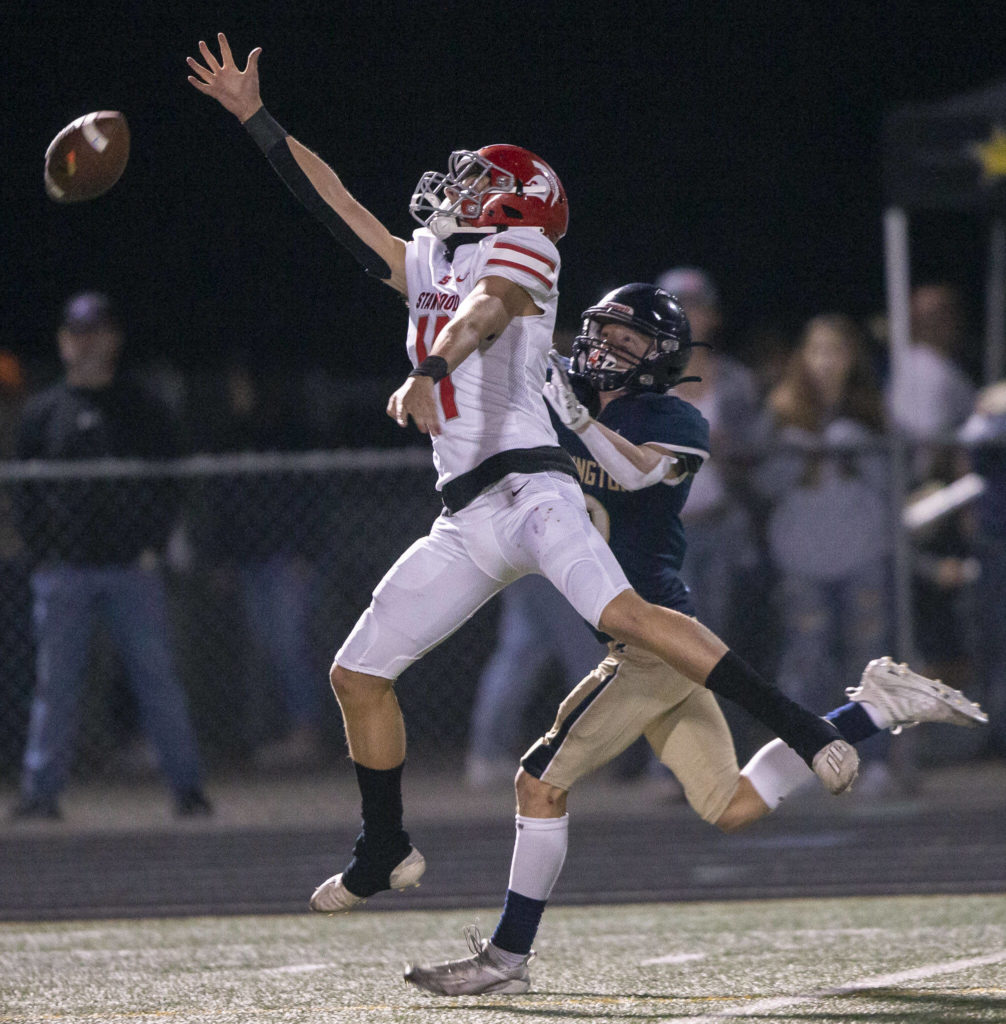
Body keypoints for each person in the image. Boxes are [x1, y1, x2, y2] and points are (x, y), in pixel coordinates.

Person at [190, 35, 860, 915]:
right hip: (465, 517)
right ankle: (384, 845)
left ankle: (807, 731)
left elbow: (481, 312)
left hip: (531, 485)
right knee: (356, 675)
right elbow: (339, 205)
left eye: (477, 182)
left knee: (629, 618)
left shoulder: (528, 257)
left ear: (512, 206)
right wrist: (257, 122)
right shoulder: (427, 258)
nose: (456, 187)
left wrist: (430, 370)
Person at [402, 285, 989, 996]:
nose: (607, 349)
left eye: (629, 342)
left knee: (538, 782)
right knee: (730, 804)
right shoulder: (554, 406)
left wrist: (577, 416)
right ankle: (875, 709)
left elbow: (633, 469)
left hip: (652, 640)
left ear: (662, 360)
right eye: (604, 332)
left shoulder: (674, 418)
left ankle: (506, 960)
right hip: (652, 644)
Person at [9, 292, 211, 820]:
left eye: (97, 330)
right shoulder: (43, 412)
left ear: (114, 338)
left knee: (156, 680)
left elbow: (173, 484)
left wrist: (152, 544)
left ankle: (187, 789)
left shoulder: (143, 407)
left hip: (131, 569)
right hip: (64, 572)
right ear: (62, 341)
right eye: (78, 332)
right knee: (56, 687)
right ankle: (41, 794)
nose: (87, 341)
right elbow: (25, 494)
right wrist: (42, 553)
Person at [759, 314, 896, 791]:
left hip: (861, 554)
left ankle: (874, 760)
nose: (826, 361)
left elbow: (895, 488)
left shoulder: (873, 410)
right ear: (803, 356)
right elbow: (759, 486)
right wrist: (795, 462)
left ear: (852, 358)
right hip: (802, 558)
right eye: (817, 350)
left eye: (836, 350)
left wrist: (860, 454)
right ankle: (804, 761)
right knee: (805, 661)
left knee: (869, 664)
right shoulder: (781, 409)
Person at [465, 573, 606, 789]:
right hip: (559, 560)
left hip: (520, 558)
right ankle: (596, 751)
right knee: (586, 658)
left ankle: (488, 755)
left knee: (520, 654)